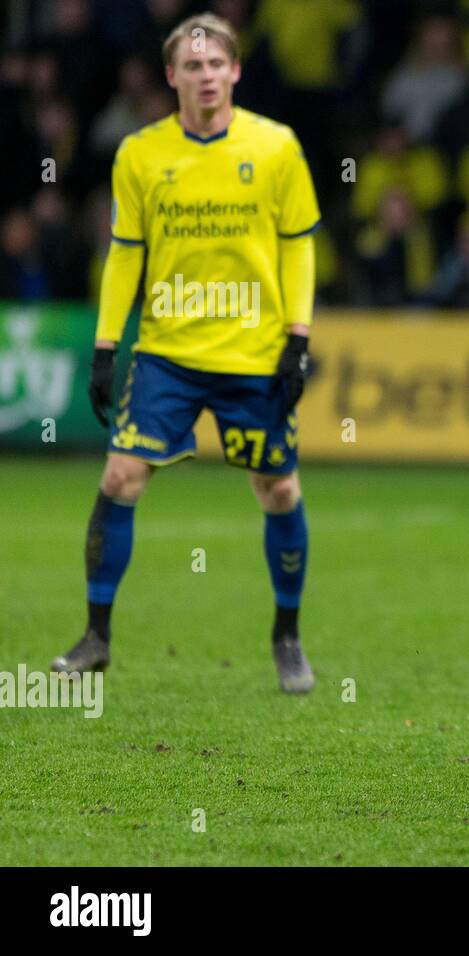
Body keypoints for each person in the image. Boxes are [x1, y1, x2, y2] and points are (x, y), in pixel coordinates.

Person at [51, 13, 320, 693]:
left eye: (216, 64)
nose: (205, 76)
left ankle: (287, 637)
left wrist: (298, 340)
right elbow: (125, 254)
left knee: (279, 488)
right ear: (171, 75)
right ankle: (95, 636)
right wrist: (107, 346)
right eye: (191, 66)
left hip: (253, 354)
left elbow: (298, 246)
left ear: (235, 71)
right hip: (168, 352)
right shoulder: (140, 153)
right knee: (119, 479)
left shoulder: (277, 147)